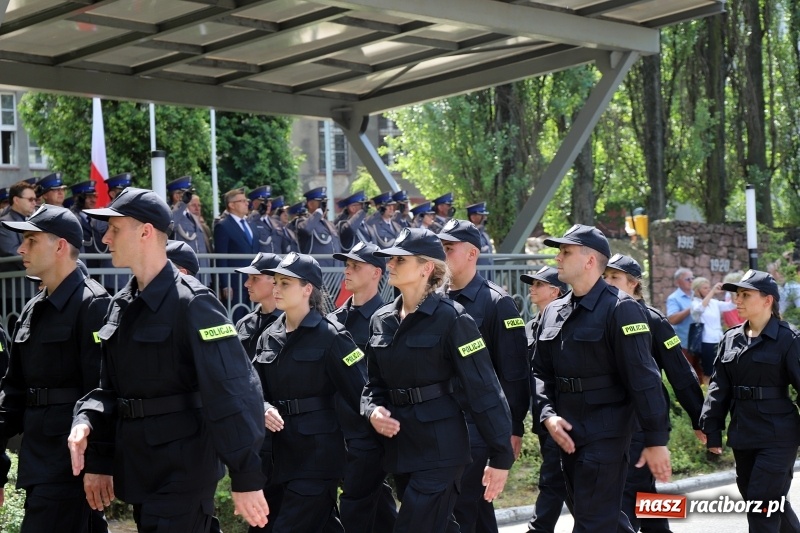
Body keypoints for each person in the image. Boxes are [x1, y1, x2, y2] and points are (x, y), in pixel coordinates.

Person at [68, 187, 270, 531]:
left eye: (115, 229)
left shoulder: (194, 304)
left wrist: (246, 474)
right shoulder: (122, 305)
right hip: (142, 469)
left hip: (184, 471)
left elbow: (233, 391)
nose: (104, 239)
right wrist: (85, 422)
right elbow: (109, 390)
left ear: (146, 232)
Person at [364, 227, 514, 533]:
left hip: (441, 449)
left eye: (399, 261)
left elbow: (484, 389)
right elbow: (374, 384)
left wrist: (501, 454)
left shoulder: (454, 319)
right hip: (401, 447)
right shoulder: (381, 320)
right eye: (390, 260)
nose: (389, 265)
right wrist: (373, 410)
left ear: (426, 268)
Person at [531, 224, 671, 532]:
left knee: (592, 523)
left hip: (606, 434)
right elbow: (540, 372)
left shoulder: (621, 309)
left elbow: (644, 379)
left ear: (590, 261)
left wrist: (655, 439)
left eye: (566, 252)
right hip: (565, 433)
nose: (558, 258)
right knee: (598, 519)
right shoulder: (553, 312)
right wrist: (547, 414)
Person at [0, 205, 110, 532]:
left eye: (31, 241)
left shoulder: (93, 303)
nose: (21, 248)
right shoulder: (33, 309)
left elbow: (103, 391)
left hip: (70, 468)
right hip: (39, 461)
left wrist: (100, 465)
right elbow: (14, 391)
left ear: (60, 246)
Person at [255, 252, 367, 532]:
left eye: (285, 283)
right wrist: (264, 407)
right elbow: (253, 387)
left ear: (307, 289)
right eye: (276, 282)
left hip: (317, 458)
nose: (276, 289)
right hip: (278, 458)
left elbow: (362, 394)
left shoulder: (333, 336)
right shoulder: (270, 336)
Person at [438, 219, 529, 533]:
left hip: (479, 426)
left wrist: (513, 428)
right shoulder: (436, 302)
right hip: (443, 424)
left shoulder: (496, 303)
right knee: (470, 513)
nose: (442, 254)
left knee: (466, 508)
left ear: (472, 253)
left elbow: (514, 374)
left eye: (449, 248)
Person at [604, 254, 705, 533]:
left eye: (615, 278)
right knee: (642, 491)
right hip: (608, 419)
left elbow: (681, 374)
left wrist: (700, 418)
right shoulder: (599, 316)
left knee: (629, 487)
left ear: (634, 284)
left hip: (641, 420)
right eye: (605, 278)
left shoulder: (653, 320)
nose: (608, 283)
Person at [701, 269, 800, 532]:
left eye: (746, 294)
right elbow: (718, 388)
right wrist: (712, 430)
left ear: (768, 300)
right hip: (744, 434)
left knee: (761, 505)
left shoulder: (789, 339)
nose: (738, 300)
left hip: (779, 436)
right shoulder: (730, 338)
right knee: (768, 503)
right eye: (737, 294)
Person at [330, 242, 397, 533]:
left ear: (376, 273)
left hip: (370, 433)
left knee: (354, 506)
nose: (347, 270)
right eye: (346, 264)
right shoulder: (334, 321)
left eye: (355, 265)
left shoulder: (389, 319)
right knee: (375, 504)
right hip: (335, 432)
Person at [232, 252, 283, 533]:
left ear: (275, 282)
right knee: (259, 518)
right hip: (254, 433)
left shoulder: (293, 322)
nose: (247, 284)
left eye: (254, 278)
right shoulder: (245, 324)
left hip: (285, 432)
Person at [520, 266, 568, 533]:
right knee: (567, 483)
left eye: (538, 284)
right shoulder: (529, 327)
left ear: (555, 290)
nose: (531, 289)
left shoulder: (567, 322)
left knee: (552, 479)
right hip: (541, 416)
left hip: (563, 414)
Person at [214, 188, 261, 323]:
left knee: (254, 319)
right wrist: (225, 284)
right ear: (231, 205)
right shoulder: (223, 226)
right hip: (235, 283)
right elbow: (221, 256)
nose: (247, 203)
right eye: (242, 201)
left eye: (246, 200)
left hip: (255, 280)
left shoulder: (251, 224)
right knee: (237, 320)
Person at [0, 181, 39, 330]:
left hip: (30, 289)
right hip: (14, 292)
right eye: (30, 199)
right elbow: (12, 251)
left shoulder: (32, 221)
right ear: (16, 200)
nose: (34, 203)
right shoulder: (5, 223)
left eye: (35, 199)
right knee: (16, 337)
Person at [691, 276, 737, 385]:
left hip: (719, 339)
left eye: (708, 287)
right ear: (697, 290)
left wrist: (730, 291)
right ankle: (708, 393)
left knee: (722, 369)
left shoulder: (714, 302)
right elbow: (699, 309)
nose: (708, 290)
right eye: (705, 288)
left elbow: (732, 305)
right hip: (707, 341)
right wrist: (712, 292)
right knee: (708, 371)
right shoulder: (694, 303)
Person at [92, 173, 133, 294]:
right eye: (122, 192)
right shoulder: (105, 212)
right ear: (112, 194)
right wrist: (115, 205)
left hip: (131, 275)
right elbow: (99, 226)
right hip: (113, 277)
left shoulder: (132, 212)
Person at [171, 176, 211, 286]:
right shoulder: (172, 214)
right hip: (185, 275)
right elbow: (170, 227)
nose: (189, 196)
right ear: (176, 196)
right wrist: (182, 204)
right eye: (185, 193)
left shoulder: (192, 217)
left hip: (201, 275)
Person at [666, 267, 701, 379]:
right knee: (688, 375)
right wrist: (691, 307)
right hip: (685, 343)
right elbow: (672, 319)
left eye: (692, 278)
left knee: (702, 374)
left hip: (701, 341)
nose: (691, 281)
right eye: (687, 279)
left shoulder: (697, 294)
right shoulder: (674, 298)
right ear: (677, 282)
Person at [296, 187, 341, 266]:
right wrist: (318, 212)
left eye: (325, 202)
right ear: (310, 204)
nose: (325, 205)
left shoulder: (330, 224)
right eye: (322, 202)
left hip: (336, 274)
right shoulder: (303, 221)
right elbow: (305, 230)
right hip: (317, 274)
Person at [248, 186, 284, 256]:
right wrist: (257, 214)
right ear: (254, 203)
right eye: (264, 201)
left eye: (270, 201)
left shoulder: (277, 223)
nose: (268, 204)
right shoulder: (250, 221)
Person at [466, 203, 493, 275]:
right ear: (473, 217)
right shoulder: (468, 234)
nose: (485, 218)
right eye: (482, 215)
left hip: (487, 275)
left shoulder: (484, 234)